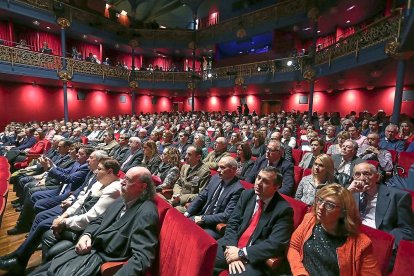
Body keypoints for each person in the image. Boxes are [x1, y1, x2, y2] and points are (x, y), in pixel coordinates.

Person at [28, 167, 159, 276]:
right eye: (124, 178)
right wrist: (87, 235)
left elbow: (142, 258)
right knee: (40, 271)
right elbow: (100, 219)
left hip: (99, 261)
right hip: (88, 250)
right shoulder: (122, 199)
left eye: (128, 180)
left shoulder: (147, 212)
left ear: (143, 186)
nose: (122, 182)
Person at [214, 167, 294, 275]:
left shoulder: (284, 210)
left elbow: (275, 244)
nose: (258, 183)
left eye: (265, 181)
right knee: (207, 255)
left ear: (276, 187)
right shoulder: (247, 195)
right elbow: (233, 223)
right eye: (258, 178)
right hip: (233, 244)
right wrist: (232, 249)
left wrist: (241, 253)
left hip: (255, 257)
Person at [288, 184, 381, 276]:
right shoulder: (310, 219)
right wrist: (300, 272)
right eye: (320, 200)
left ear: (343, 213)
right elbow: (294, 247)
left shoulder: (361, 244)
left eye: (330, 205)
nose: (320, 207)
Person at [347, 163, 414, 247]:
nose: (362, 178)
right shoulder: (350, 191)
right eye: (357, 174)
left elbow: (407, 230)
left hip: (376, 242)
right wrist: (347, 192)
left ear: (377, 176)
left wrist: (386, 243)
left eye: (366, 174)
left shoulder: (398, 196)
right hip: (351, 237)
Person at [185, 156, 244, 239]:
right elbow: (202, 196)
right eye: (218, 167)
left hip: (214, 226)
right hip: (201, 216)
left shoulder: (238, 189)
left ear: (233, 170)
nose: (218, 170)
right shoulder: (215, 178)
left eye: (222, 167)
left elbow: (226, 215)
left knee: (195, 236)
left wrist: (203, 218)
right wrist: (187, 213)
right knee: (182, 223)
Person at [171, 145, 211, 213]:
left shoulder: (204, 172)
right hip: (176, 199)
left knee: (170, 212)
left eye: (189, 155)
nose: (186, 157)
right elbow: (178, 183)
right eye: (186, 153)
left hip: (188, 205)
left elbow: (201, 194)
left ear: (198, 157)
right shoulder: (185, 166)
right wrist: (176, 194)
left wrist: (181, 198)